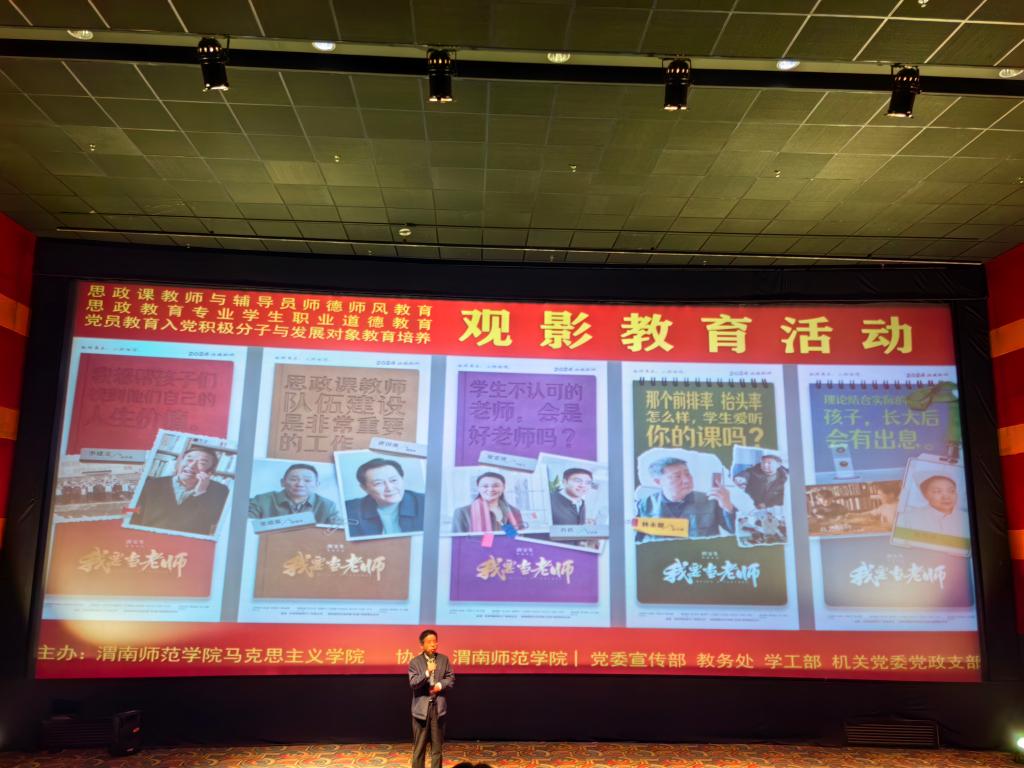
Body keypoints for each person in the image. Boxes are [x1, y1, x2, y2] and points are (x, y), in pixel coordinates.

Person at [129, 445, 229, 536]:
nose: (191, 465)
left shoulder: (220, 491)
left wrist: (200, 494)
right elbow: (134, 516)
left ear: (210, 471)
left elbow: (214, 523)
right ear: (179, 462)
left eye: (202, 463)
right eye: (189, 460)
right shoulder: (152, 484)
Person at [634, 457, 736, 542]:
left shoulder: (712, 500)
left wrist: (728, 507)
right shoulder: (643, 506)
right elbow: (634, 541)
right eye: (677, 476)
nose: (686, 480)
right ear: (658, 482)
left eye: (687, 474)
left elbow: (737, 532)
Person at [409, 628, 454, 768]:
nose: (433, 644)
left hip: (438, 709)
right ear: (422, 645)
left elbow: (450, 678)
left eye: (435, 641)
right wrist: (427, 672)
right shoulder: (415, 662)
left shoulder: (443, 659)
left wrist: (440, 685)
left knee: (437, 748)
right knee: (419, 748)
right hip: (421, 710)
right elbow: (413, 683)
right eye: (429, 642)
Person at [345, 458, 425, 537]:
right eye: (378, 483)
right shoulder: (349, 510)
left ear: (402, 479)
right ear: (364, 488)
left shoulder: (425, 503)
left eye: (393, 480)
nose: (389, 488)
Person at [248, 463, 342, 525]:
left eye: (307, 480)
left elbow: (338, 530)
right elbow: (247, 525)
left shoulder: (328, 506)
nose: (300, 484)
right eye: (293, 479)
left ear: (317, 485)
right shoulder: (261, 500)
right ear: (282, 482)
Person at [898, 474, 970, 540]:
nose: (946, 497)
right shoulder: (908, 518)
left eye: (951, 491)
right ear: (925, 495)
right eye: (937, 491)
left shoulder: (966, 519)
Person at [452, 471, 525, 533]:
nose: (490, 489)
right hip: (475, 546)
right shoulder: (462, 512)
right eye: (485, 486)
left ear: (503, 488)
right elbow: (458, 541)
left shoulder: (513, 511)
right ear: (478, 488)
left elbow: (517, 537)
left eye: (496, 486)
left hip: (508, 546)